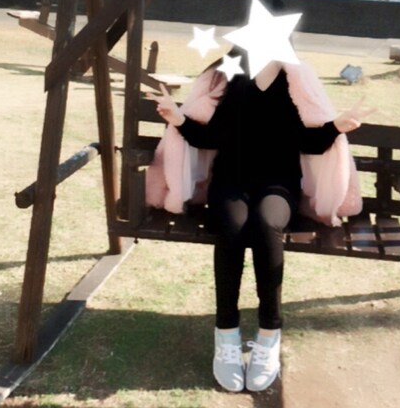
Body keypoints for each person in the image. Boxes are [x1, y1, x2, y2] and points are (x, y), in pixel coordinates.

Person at [148, 53, 370, 393]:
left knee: (267, 225)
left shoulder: (293, 82)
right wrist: (177, 118)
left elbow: (306, 141)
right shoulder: (234, 78)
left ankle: (269, 334)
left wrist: (337, 126)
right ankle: (226, 333)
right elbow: (211, 137)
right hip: (230, 183)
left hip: (278, 185)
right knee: (233, 227)